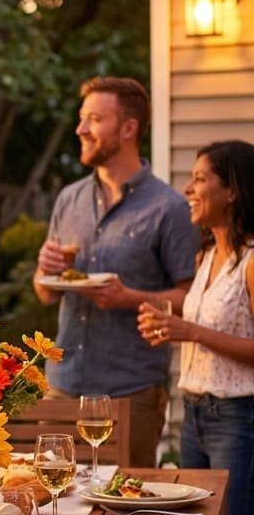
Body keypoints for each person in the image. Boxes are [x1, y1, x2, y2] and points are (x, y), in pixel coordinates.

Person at [33, 76, 197, 468]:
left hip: (130, 390)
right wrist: (45, 272)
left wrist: (130, 298)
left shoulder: (170, 208)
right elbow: (46, 291)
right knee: (53, 501)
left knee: (126, 512)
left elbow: (191, 298)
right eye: (81, 119)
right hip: (62, 384)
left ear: (128, 128)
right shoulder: (68, 199)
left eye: (93, 119)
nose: (80, 129)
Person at [138, 140, 254, 515]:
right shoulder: (207, 254)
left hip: (239, 419)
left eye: (201, 178)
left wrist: (191, 331)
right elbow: (206, 332)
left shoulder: (251, 260)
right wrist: (167, 325)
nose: (188, 188)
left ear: (232, 191)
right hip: (196, 416)